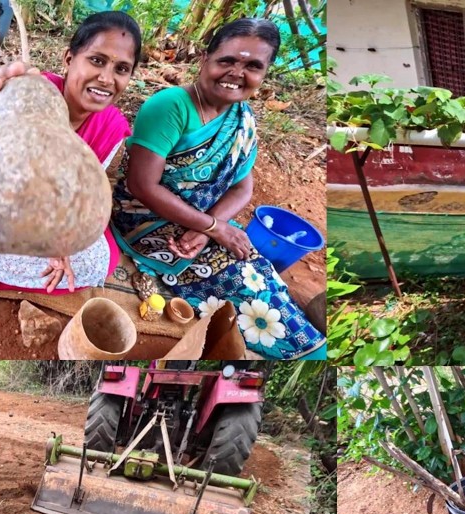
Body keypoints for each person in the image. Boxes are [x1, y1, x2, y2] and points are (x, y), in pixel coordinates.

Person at [115, 18, 325, 360]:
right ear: (205, 59)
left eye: (253, 66)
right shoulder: (171, 106)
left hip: (200, 221)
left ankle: (301, 339)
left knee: (259, 266)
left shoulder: (242, 121)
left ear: (265, 73)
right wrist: (213, 228)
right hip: (144, 218)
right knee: (239, 278)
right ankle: (303, 350)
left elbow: (243, 189)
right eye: (227, 61)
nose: (237, 73)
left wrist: (209, 228)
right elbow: (141, 184)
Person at [0, 11, 141, 303]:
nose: (106, 78)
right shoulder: (30, 91)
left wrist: (61, 246)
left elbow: (80, 198)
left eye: (122, 69)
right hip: (4, 204)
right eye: (97, 60)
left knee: (100, 262)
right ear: (68, 59)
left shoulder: (112, 127)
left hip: (50, 222)